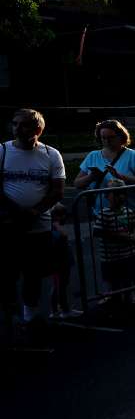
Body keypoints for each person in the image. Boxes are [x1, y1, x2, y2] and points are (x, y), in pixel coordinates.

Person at [1, 109, 65, 330]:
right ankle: (10, 315)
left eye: (24, 125)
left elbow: (57, 190)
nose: (18, 129)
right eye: (15, 124)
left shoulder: (50, 154)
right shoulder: (2, 151)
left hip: (38, 227)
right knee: (7, 273)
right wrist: (16, 212)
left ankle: (30, 314)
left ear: (38, 129)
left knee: (33, 273)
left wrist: (35, 211)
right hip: (8, 225)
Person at [75, 119, 135, 301]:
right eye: (103, 138)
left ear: (121, 137)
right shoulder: (93, 156)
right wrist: (91, 176)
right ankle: (112, 290)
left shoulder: (133, 156)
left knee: (132, 251)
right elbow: (77, 183)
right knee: (109, 255)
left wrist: (122, 177)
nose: (107, 141)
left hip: (130, 213)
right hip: (102, 213)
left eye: (111, 137)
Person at [47, 203, 79, 320]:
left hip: (62, 260)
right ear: (58, 216)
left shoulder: (54, 226)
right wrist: (57, 225)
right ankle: (63, 310)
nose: (65, 218)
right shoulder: (54, 227)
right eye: (63, 216)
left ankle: (57, 309)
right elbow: (63, 236)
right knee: (60, 286)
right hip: (59, 262)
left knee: (60, 285)